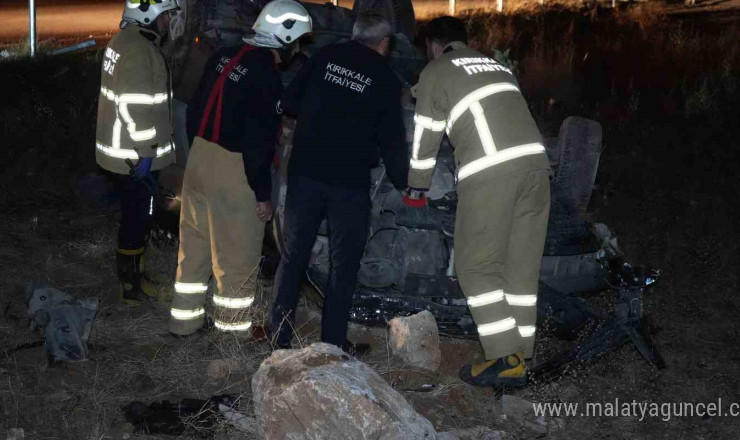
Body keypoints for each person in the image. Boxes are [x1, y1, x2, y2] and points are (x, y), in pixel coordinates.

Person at [407, 16, 552, 387]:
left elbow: (426, 134)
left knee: (476, 267)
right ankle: (521, 352)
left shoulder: (437, 69)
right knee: (519, 268)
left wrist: (416, 186)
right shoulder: (495, 65)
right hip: (537, 169)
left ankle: (504, 357)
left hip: (491, 173)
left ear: (434, 46)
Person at [259, 14, 409, 352]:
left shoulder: (323, 58)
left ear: (354, 36)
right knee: (343, 265)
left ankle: (279, 338)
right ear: (385, 44)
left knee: (293, 256)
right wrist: (406, 182)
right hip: (348, 183)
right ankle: (332, 345)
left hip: (306, 174)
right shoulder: (385, 77)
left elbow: (291, 103)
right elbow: (393, 141)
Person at [167, 0, 313, 337]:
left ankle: (183, 323)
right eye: (298, 42)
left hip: (200, 158)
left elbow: (192, 111)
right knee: (236, 256)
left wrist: (199, 153)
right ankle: (232, 336)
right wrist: (262, 195)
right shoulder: (266, 75)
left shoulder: (223, 56)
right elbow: (258, 145)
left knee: (195, 248)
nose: (298, 49)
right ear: (285, 39)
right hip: (234, 170)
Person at [95, 0, 179, 305]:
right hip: (133, 156)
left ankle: (136, 277)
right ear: (148, 15)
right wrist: (146, 152)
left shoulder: (125, 41)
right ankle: (131, 287)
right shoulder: (141, 51)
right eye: (166, 15)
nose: (169, 21)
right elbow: (134, 106)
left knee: (134, 216)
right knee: (138, 219)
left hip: (121, 153)